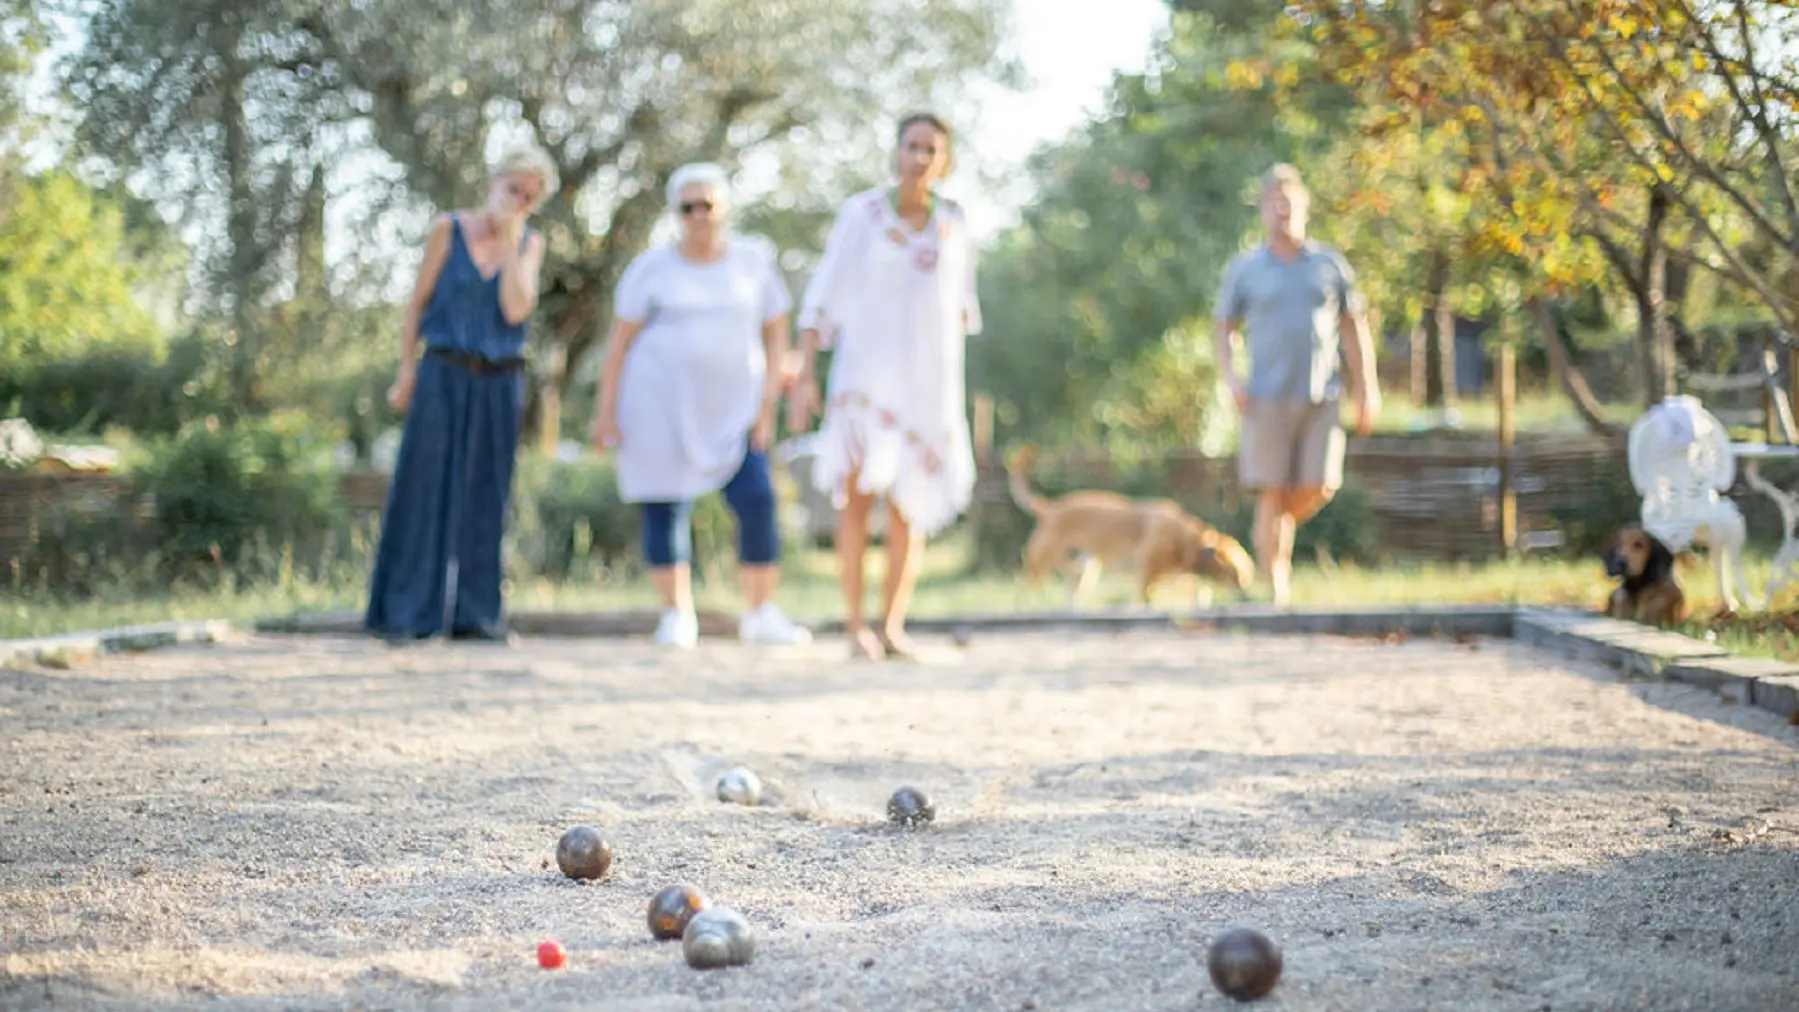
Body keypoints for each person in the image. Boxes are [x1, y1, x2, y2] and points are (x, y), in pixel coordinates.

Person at [589, 162, 813, 649]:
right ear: (676, 213)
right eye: (686, 207)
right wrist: (605, 412)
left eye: (705, 205)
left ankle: (760, 613)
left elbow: (777, 334)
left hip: (736, 408)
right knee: (665, 506)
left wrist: (768, 402)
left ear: (724, 208)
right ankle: (676, 615)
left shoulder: (752, 261)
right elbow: (618, 345)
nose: (697, 215)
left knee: (756, 499)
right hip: (658, 406)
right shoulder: (651, 269)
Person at [788, 113, 982, 660]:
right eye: (911, 146)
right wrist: (805, 373)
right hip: (865, 380)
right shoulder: (863, 215)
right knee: (856, 500)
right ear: (896, 153)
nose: (919, 158)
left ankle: (892, 625)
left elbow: (959, 311)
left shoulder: (956, 220)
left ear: (944, 159)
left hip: (928, 384)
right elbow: (824, 295)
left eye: (930, 149)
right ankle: (855, 627)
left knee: (910, 507)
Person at [365, 142, 558, 644]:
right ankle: (408, 613)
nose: (518, 200)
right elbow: (415, 306)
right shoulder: (447, 230)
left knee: (486, 496)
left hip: (501, 381)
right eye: (513, 189)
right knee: (424, 488)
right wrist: (406, 372)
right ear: (494, 182)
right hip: (443, 373)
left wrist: (514, 242)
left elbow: (516, 311)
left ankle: (477, 616)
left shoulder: (531, 245)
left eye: (529, 198)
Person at [1213, 163, 1380, 608]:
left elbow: (1353, 328)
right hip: (1265, 397)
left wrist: (1368, 389)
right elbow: (1224, 328)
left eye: (1288, 202)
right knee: (1271, 489)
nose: (1281, 210)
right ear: (1263, 211)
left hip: (1321, 396)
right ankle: (1276, 582)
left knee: (1318, 484)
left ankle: (1272, 532)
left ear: (1304, 206)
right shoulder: (1245, 269)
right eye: (1272, 203)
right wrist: (1231, 378)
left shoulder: (1329, 265)